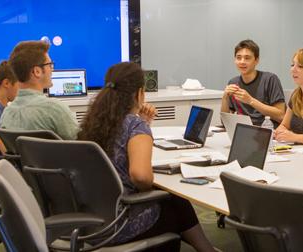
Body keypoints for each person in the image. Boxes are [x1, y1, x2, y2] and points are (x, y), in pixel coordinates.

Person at [78, 62, 216, 252]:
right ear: (139, 93)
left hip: (90, 221)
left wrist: (143, 123)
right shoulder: (135, 126)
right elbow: (141, 176)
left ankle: (206, 249)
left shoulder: (94, 122)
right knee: (175, 202)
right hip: (120, 223)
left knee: (174, 202)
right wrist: (148, 185)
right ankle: (206, 249)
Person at [0, 41, 79, 139]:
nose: (52, 69)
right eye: (50, 65)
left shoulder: (6, 115)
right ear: (37, 71)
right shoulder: (54, 109)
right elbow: (84, 145)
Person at [221, 39, 286, 126]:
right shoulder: (233, 82)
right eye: (238, 58)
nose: (242, 62)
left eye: (247, 58)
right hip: (243, 130)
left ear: (256, 60)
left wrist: (250, 100)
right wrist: (225, 98)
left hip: (267, 131)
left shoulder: (270, 79)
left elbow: (281, 116)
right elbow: (225, 122)